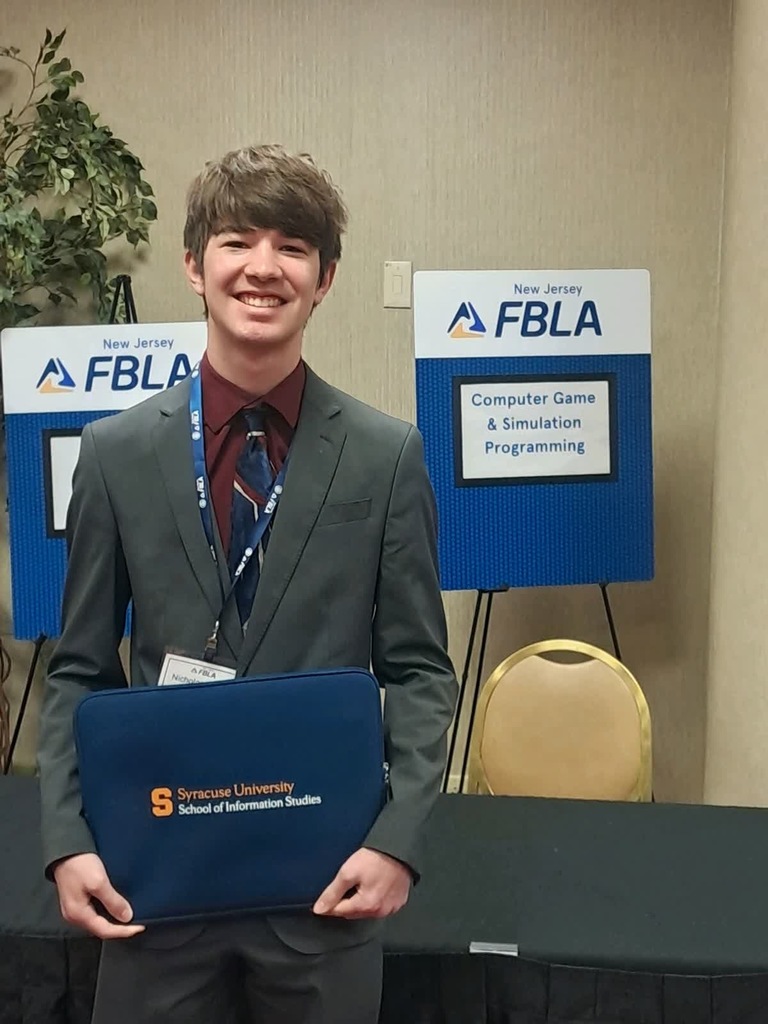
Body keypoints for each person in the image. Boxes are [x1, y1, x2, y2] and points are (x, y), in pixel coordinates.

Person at [37, 144, 458, 1024]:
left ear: (325, 276)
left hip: (324, 885)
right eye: (236, 241)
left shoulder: (387, 458)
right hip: (153, 883)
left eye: (292, 247)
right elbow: (79, 667)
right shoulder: (116, 455)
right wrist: (68, 844)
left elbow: (419, 669)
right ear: (195, 266)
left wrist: (399, 844)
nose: (263, 267)